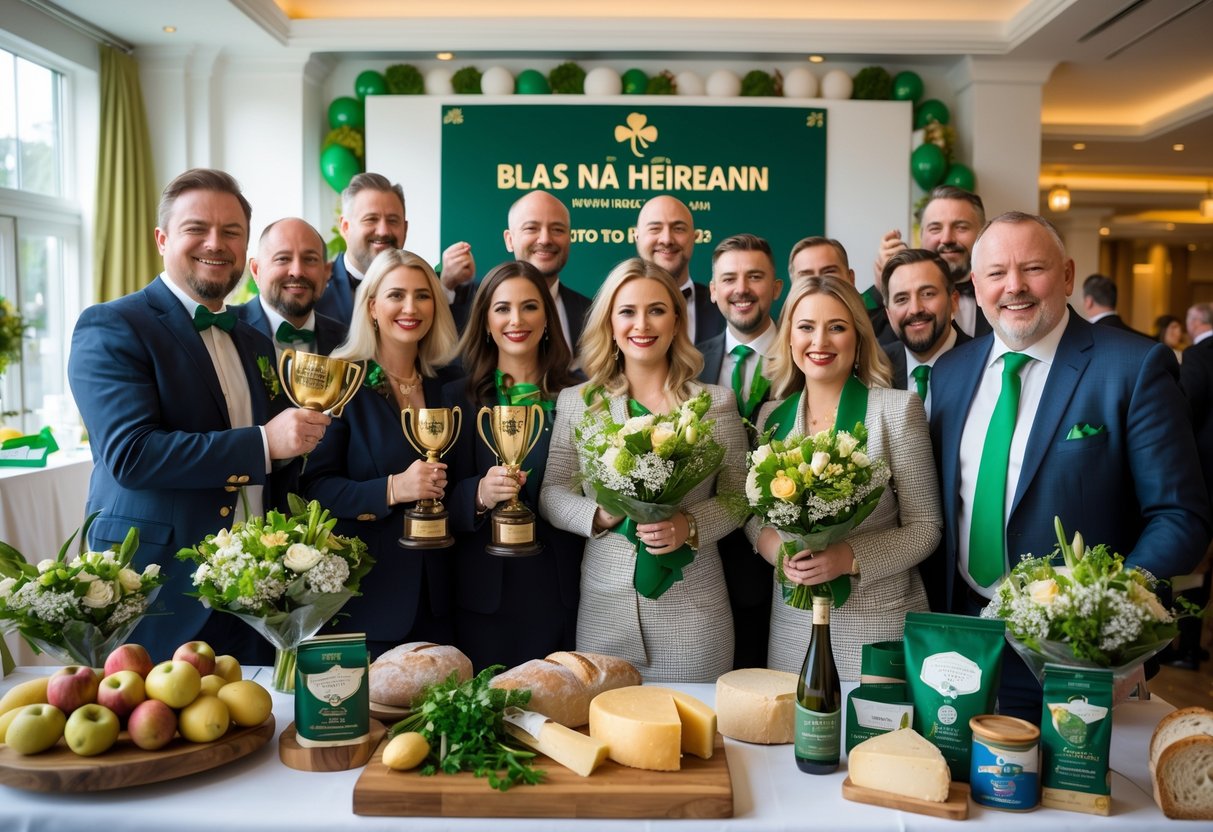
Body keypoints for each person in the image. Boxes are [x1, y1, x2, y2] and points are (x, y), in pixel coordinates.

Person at [927, 212, 1210, 720]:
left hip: (1078, 656)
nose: (1014, 286)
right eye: (996, 273)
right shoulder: (950, 372)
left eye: (1033, 268)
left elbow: (1179, 515)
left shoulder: (1133, 367)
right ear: (975, 283)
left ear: (1067, 275)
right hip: (961, 639)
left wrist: (1109, 612)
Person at [68, 168, 330, 662]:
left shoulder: (253, 338)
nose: (216, 243)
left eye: (231, 231)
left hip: (254, 593)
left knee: (256, 732)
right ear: (162, 239)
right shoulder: (113, 325)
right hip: (155, 587)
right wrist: (265, 443)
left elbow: (277, 460)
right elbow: (132, 455)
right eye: (197, 229)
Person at [539, 257, 747, 682]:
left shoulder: (714, 403)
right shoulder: (579, 401)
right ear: (610, 323)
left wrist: (687, 525)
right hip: (604, 613)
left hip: (694, 615)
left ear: (675, 320)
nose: (642, 324)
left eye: (656, 310)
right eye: (628, 311)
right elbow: (552, 492)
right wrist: (597, 514)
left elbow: (739, 497)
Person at [746, 277, 942, 680]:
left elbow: (927, 528)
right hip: (791, 629)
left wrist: (849, 558)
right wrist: (773, 551)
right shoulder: (771, 417)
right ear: (788, 338)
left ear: (858, 338)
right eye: (806, 327)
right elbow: (754, 514)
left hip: (877, 623)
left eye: (836, 327)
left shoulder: (896, 411)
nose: (820, 341)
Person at [302, 249, 461, 659]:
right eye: (396, 295)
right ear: (372, 306)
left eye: (423, 296)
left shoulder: (452, 384)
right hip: (366, 602)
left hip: (446, 601)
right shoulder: (340, 380)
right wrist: (393, 488)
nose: (411, 308)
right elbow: (313, 490)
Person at [441, 261, 583, 670]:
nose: (516, 320)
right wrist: (479, 495)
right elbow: (436, 499)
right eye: (502, 308)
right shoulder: (458, 397)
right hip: (485, 597)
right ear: (485, 320)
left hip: (564, 590)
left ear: (548, 318)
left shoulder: (581, 394)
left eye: (529, 307)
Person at [698, 233, 782, 668]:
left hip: (787, 557)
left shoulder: (807, 354)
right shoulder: (690, 363)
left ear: (776, 287)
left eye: (755, 276)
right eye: (728, 278)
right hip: (706, 559)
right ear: (712, 290)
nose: (741, 288)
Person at [442, 191, 592, 347]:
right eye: (531, 228)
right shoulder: (470, 304)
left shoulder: (591, 315)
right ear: (509, 240)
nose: (546, 239)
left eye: (557, 230)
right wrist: (445, 287)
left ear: (569, 239)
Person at [876, 185, 991, 338]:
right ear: (921, 236)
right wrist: (883, 286)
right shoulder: (883, 301)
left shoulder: (1003, 290)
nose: (947, 239)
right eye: (935, 228)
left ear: (982, 233)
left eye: (961, 227)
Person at [237, 217, 348, 356]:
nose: (297, 272)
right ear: (256, 270)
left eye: (310, 259)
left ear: (326, 272)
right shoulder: (226, 330)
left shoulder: (347, 342)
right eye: (282, 259)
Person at [880, 248, 970, 414]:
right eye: (901, 299)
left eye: (928, 294)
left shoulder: (983, 365)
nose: (915, 309)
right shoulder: (876, 367)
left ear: (954, 301)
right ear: (889, 314)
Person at [315, 173, 407, 323]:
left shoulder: (423, 286)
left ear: (405, 228)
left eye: (392, 220)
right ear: (345, 227)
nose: (383, 231)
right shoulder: (316, 292)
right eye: (371, 219)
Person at [635, 195, 725, 344]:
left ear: (695, 237)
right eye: (655, 229)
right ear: (637, 236)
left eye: (678, 229)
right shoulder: (611, 308)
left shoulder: (724, 307)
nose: (667, 239)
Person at [789, 235, 895, 344]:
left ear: (850, 278)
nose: (818, 283)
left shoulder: (886, 324)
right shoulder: (779, 336)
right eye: (806, 277)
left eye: (829, 273)